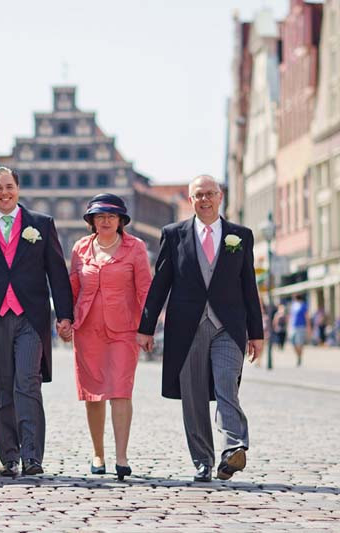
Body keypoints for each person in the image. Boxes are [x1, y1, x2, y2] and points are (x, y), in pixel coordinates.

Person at [137, 174, 263, 483]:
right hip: (186, 327)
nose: (204, 199)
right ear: (191, 200)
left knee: (226, 386)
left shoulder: (240, 236)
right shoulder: (174, 234)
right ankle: (204, 462)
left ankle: (234, 447)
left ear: (220, 197)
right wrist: (146, 327)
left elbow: (249, 286)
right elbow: (160, 284)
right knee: (193, 397)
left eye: (210, 194)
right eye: (198, 195)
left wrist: (257, 333)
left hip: (228, 327)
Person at [0, 166, 74, 477]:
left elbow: (57, 274)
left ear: (18, 189)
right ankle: (9, 456)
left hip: (31, 318)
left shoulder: (41, 224)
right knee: (0, 389)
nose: (4, 193)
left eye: (9, 186)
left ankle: (32, 456)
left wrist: (65, 315)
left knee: (27, 383)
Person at [69, 194, 151, 481]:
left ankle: (121, 456)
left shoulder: (135, 248)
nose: (105, 221)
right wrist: (66, 320)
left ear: (121, 221)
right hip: (87, 329)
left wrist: (147, 328)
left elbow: (145, 290)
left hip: (124, 330)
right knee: (93, 393)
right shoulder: (80, 248)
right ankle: (98, 453)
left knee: (120, 389)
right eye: (100, 216)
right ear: (91, 220)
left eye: (111, 216)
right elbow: (72, 289)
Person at [288, 294, 309, 366]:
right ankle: (298, 355)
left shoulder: (303, 305)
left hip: (301, 327)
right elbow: (291, 317)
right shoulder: (293, 306)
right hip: (293, 327)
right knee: (293, 342)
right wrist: (289, 326)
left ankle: (299, 358)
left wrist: (308, 327)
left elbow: (307, 317)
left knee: (299, 343)